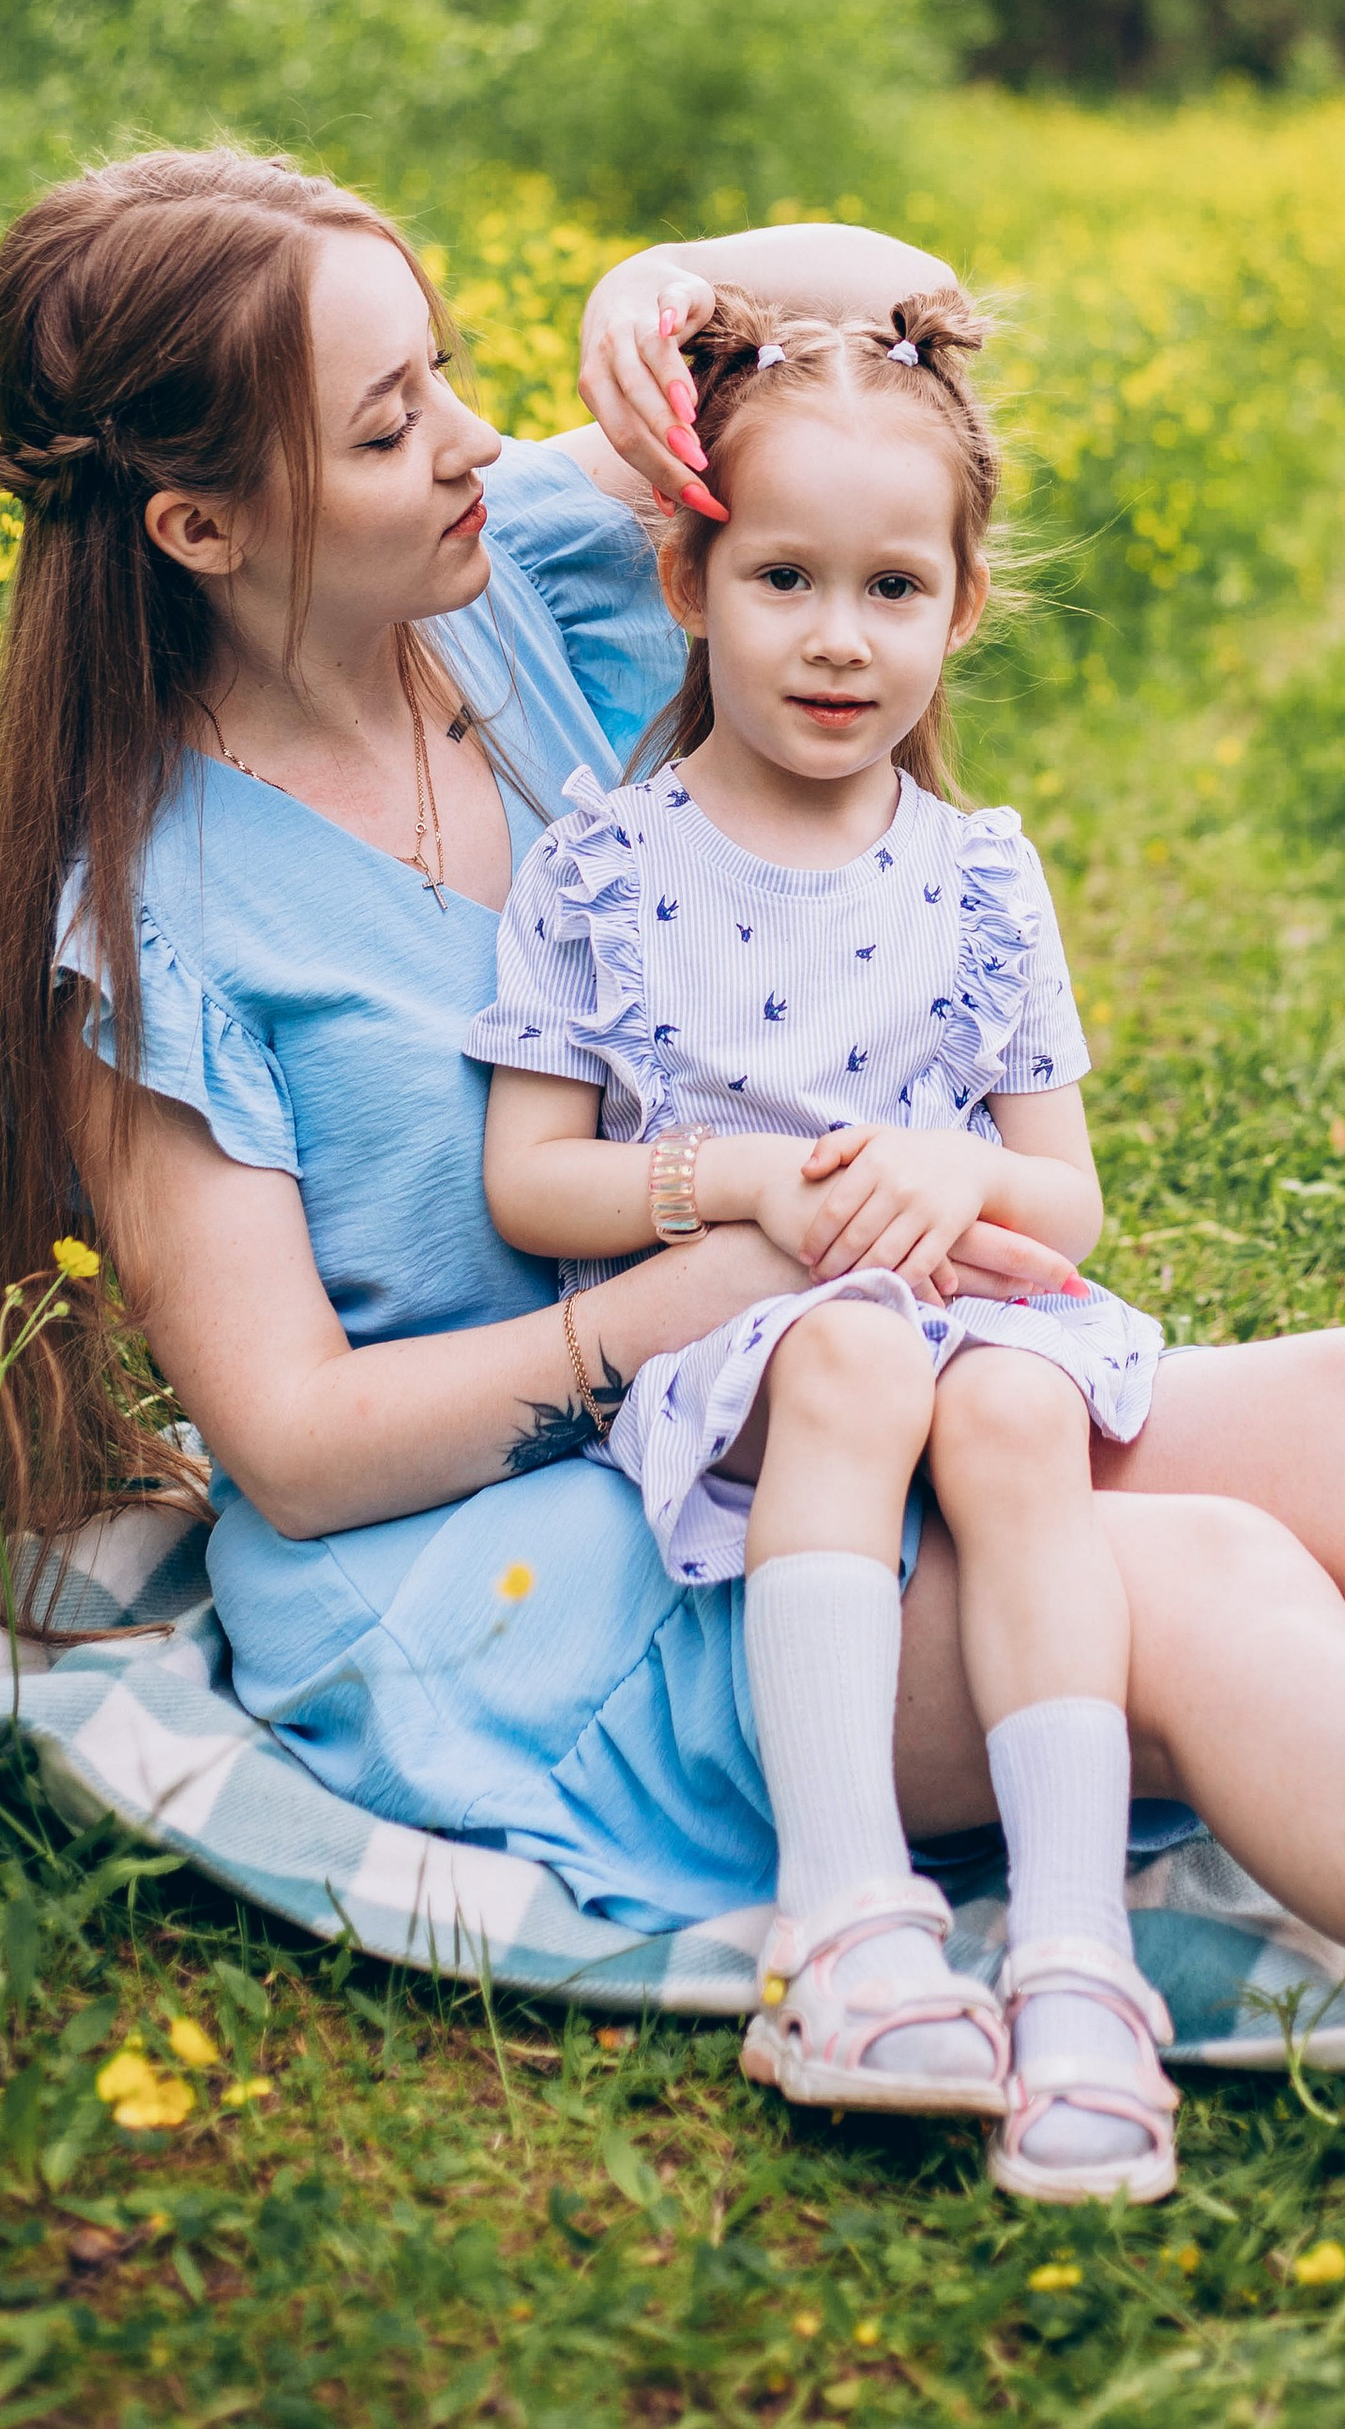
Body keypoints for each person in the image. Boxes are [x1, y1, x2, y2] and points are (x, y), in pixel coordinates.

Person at [0, 146, 1345, 2264]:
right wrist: (703, 1272)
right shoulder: (157, 918)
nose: (460, 433)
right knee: (1188, 1588)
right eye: (386, 418)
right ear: (201, 521)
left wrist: (679, 282)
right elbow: (300, 1446)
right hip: (513, 1577)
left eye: (443, 368)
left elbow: (887, 299)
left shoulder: (510, 592)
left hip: (798, 1386)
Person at [471, 287, 1174, 2203]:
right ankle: (848, 1913)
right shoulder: (606, 866)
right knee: (853, 1355)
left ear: (959, 607)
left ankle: (1072, 1948)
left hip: (959, 1311)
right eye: (785, 577)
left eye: (893, 587)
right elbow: (534, 1182)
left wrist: (961, 1191)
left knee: (1022, 1426)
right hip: (746, 1336)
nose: (841, 637)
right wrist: (737, 1191)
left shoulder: (978, 874)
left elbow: (1067, 1198)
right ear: (692, 584)